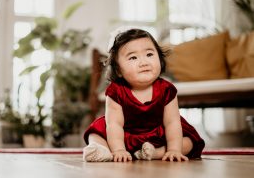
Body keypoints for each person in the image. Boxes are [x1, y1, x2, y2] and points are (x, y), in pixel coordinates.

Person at [83, 27, 205, 162]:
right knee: (95, 132)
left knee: (189, 142)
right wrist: (119, 150)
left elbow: (172, 123)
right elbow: (114, 125)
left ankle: (155, 153)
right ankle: (102, 149)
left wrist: (174, 150)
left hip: (158, 137)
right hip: (122, 137)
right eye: (133, 57)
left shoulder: (166, 89)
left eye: (149, 55)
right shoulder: (116, 91)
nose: (144, 62)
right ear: (118, 70)